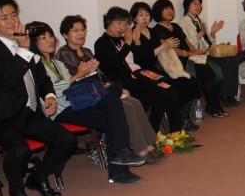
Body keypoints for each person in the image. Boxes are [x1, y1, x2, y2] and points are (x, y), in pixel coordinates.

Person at [0, 0, 75, 196]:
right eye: (4, 17)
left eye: (14, 15)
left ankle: (38, 177)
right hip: (2, 119)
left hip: (28, 114)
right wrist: (23, 50)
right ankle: (17, 191)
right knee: (19, 150)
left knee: (66, 140)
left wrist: (49, 96)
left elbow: (41, 77)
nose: (12, 21)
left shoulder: (26, 45)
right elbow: (9, 79)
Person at [27, 21, 147, 185]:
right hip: (59, 110)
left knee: (113, 105)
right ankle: (119, 168)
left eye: (50, 36)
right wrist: (78, 75)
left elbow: (72, 85)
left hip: (76, 101)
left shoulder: (57, 63)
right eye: (43, 37)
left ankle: (121, 154)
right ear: (33, 42)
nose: (49, 40)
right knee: (112, 114)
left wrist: (84, 75)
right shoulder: (35, 65)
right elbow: (50, 90)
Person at [56, 14, 172, 151]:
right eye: (75, 30)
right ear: (65, 34)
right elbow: (75, 80)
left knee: (135, 102)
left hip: (99, 91)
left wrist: (115, 88)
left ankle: (149, 142)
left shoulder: (87, 52)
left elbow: (101, 76)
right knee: (127, 107)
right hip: (85, 96)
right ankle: (138, 148)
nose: (81, 33)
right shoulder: (64, 53)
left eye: (82, 30)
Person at [93, 6, 185, 132]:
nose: (122, 27)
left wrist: (136, 42)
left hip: (140, 75)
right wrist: (128, 43)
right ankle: (152, 131)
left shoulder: (122, 40)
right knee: (162, 94)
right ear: (108, 21)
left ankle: (176, 131)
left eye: (125, 24)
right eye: (119, 23)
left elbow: (140, 59)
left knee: (170, 90)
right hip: (123, 81)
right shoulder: (101, 43)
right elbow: (115, 62)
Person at [129, 2, 201, 130]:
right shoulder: (131, 34)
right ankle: (174, 126)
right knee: (173, 89)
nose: (144, 18)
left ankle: (182, 120)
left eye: (147, 15)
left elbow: (163, 52)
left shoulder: (151, 31)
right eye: (140, 15)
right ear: (134, 18)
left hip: (158, 69)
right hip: (143, 73)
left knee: (190, 81)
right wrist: (164, 46)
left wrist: (166, 46)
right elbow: (141, 58)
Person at [151, 0, 228, 118]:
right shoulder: (157, 30)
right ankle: (211, 106)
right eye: (166, 9)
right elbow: (170, 49)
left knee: (214, 70)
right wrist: (188, 53)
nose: (170, 11)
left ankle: (215, 105)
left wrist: (195, 51)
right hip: (176, 62)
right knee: (207, 73)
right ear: (158, 11)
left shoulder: (175, 26)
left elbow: (187, 42)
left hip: (189, 57)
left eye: (171, 8)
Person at [178, 0, 240, 107]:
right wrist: (201, 33)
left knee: (233, 60)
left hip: (208, 52)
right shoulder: (182, 23)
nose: (198, 6)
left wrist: (212, 32)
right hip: (197, 56)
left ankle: (231, 94)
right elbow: (189, 44)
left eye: (199, 4)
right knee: (225, 62)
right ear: (187, 5)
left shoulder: (201, 21)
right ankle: (223, 95)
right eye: (195, 4)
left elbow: (209, 42)